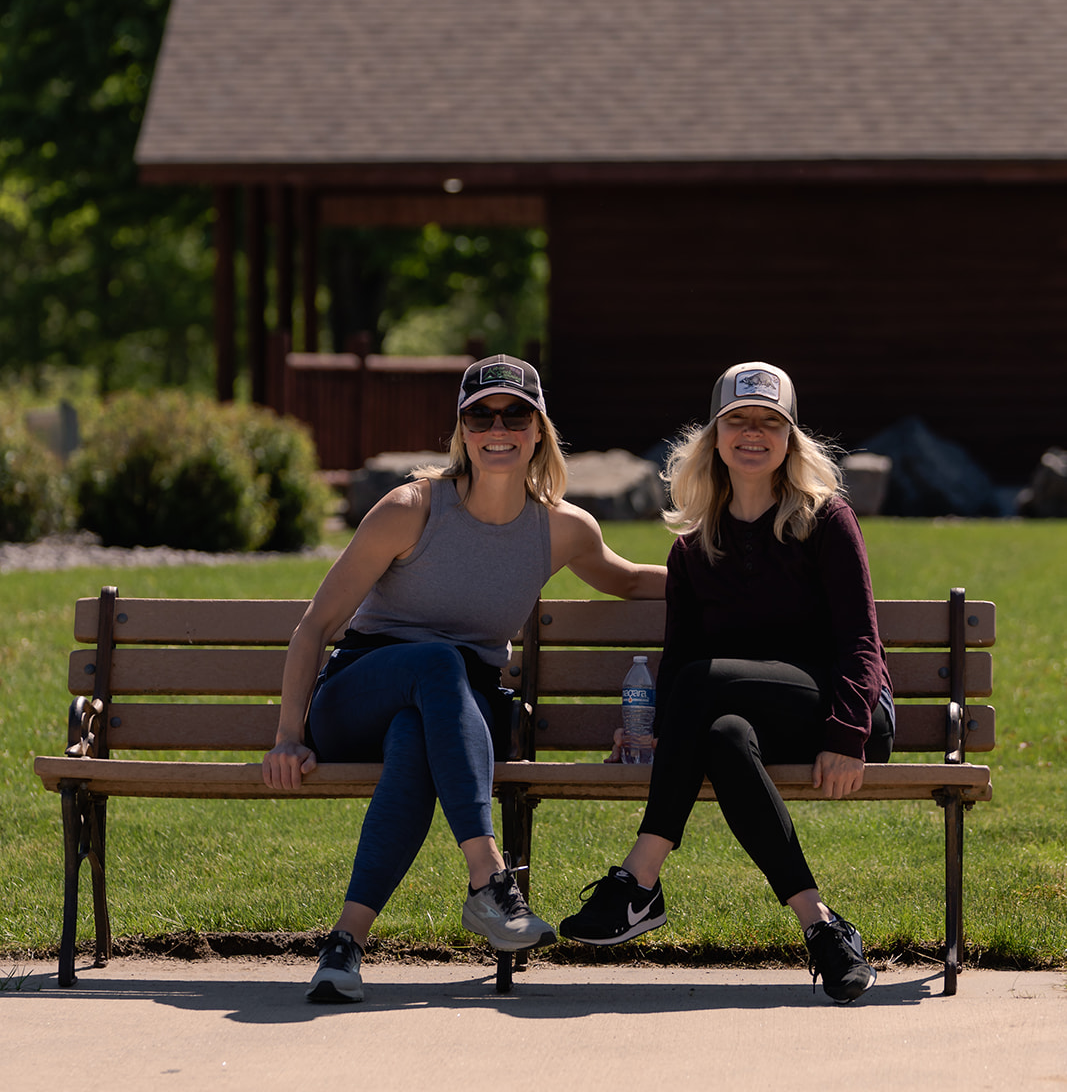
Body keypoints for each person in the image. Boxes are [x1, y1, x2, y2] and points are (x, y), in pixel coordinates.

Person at [263, 353, 667, 1005]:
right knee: (435, 663)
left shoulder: (561, 528)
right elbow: (315, 626)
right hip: (359, 692)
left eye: (514, 413)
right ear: (461, 429)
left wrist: (727, 582)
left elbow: (626, 579)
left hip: (456, 717)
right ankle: (488, 877)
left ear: (539, 428)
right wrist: (287, 736)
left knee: (415, 740)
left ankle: (343, 945)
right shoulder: (411, 509)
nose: (497, 427)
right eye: (481, 415)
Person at [559, 361, 894, 1004]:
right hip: (750, 715)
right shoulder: (694, 546)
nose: (753, 433)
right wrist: (660, 736)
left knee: (703, 685)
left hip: (843, 714)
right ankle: (823, 930)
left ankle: (640, 879)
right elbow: (681, 653)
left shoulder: (826, 521)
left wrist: (848, 735)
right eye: (737, 420)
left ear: (791, 439)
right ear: (713, 436)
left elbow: (861, 641)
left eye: (770, 422)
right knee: (722, 735)